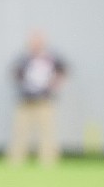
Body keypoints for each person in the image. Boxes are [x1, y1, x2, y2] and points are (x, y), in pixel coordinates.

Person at [5, 29, 68, 166]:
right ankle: (16, 159)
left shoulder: (51, 58)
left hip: (44, 100)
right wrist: (22, 85)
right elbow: (15, 73)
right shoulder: (23, 58)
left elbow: (62, 71)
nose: (36, 44)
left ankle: (48, 159)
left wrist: (54, 84)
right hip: (26, 100)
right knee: (20, 131)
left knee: (47, 131)